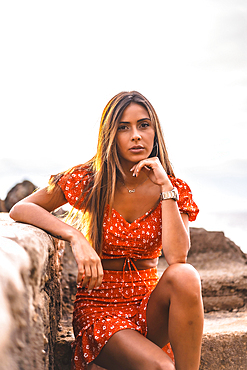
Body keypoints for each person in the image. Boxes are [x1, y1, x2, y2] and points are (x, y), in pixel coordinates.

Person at [10, 91, 204, 370]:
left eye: (143, 125)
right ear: (110, 135)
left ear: (154, 131)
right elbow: (21, 208)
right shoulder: (90, 179)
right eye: (124, 128)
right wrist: (76, 237)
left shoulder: (174, 189)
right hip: (101, 308)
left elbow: (177, 258)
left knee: (185, 275)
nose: (136, 135)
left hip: (148, 305)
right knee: (161, 367)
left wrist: (165, 188)